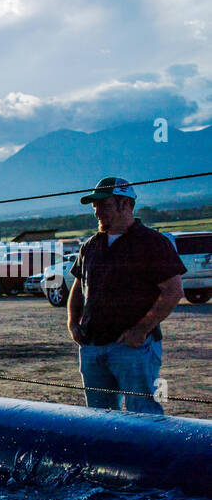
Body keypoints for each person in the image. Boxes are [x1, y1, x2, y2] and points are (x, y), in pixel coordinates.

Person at [68, 176, 185, 414]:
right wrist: (72, 322)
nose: (97, 212)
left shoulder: (152, 243)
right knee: (99, 418)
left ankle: (148, 453)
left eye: (104, 205)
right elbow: (78, 287)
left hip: (132, 348)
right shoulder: (90, 246)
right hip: (92, 347)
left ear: (126, 204)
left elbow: (173, 291)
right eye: (95, 207)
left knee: (143, 414)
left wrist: (141, 330)